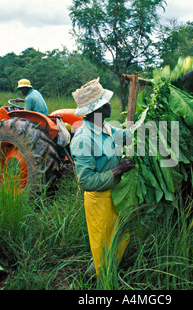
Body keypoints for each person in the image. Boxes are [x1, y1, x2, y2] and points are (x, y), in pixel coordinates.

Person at [70, 78, 134, 277]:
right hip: (100, 200)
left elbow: (125, 136)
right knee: (103, 242)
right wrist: (118, 170)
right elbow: (86, 181)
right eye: (105, 104)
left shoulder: (105, 127)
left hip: (115, 195)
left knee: (118, 237)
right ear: (95, 111)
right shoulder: (83, 139)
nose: (109, 105)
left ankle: (99, 270)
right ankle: (102, 280)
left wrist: (148, 128)